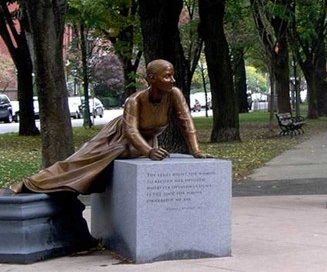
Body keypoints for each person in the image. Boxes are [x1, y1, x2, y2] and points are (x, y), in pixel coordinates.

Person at [12, 59, 210, 195]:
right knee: (79, 162)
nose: (172, 80)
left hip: (143, 142)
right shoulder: (134, 101)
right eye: (167, 76)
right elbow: (131, 130)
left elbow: (186, 121)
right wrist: (149, 151)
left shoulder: (174, 94)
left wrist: (196, 150)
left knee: (101, 169)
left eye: (172, 76)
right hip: (117, 136)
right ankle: (31, 183)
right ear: (151, 78)